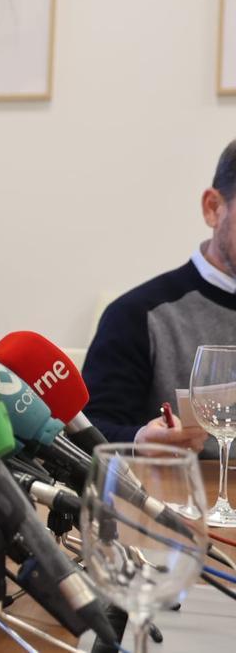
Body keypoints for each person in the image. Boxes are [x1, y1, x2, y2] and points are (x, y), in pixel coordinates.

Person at [82, 139, 236, 457]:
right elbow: (87, 431)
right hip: (184, 502)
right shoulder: (139, 315)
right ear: (213, 208)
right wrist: (141, 439)